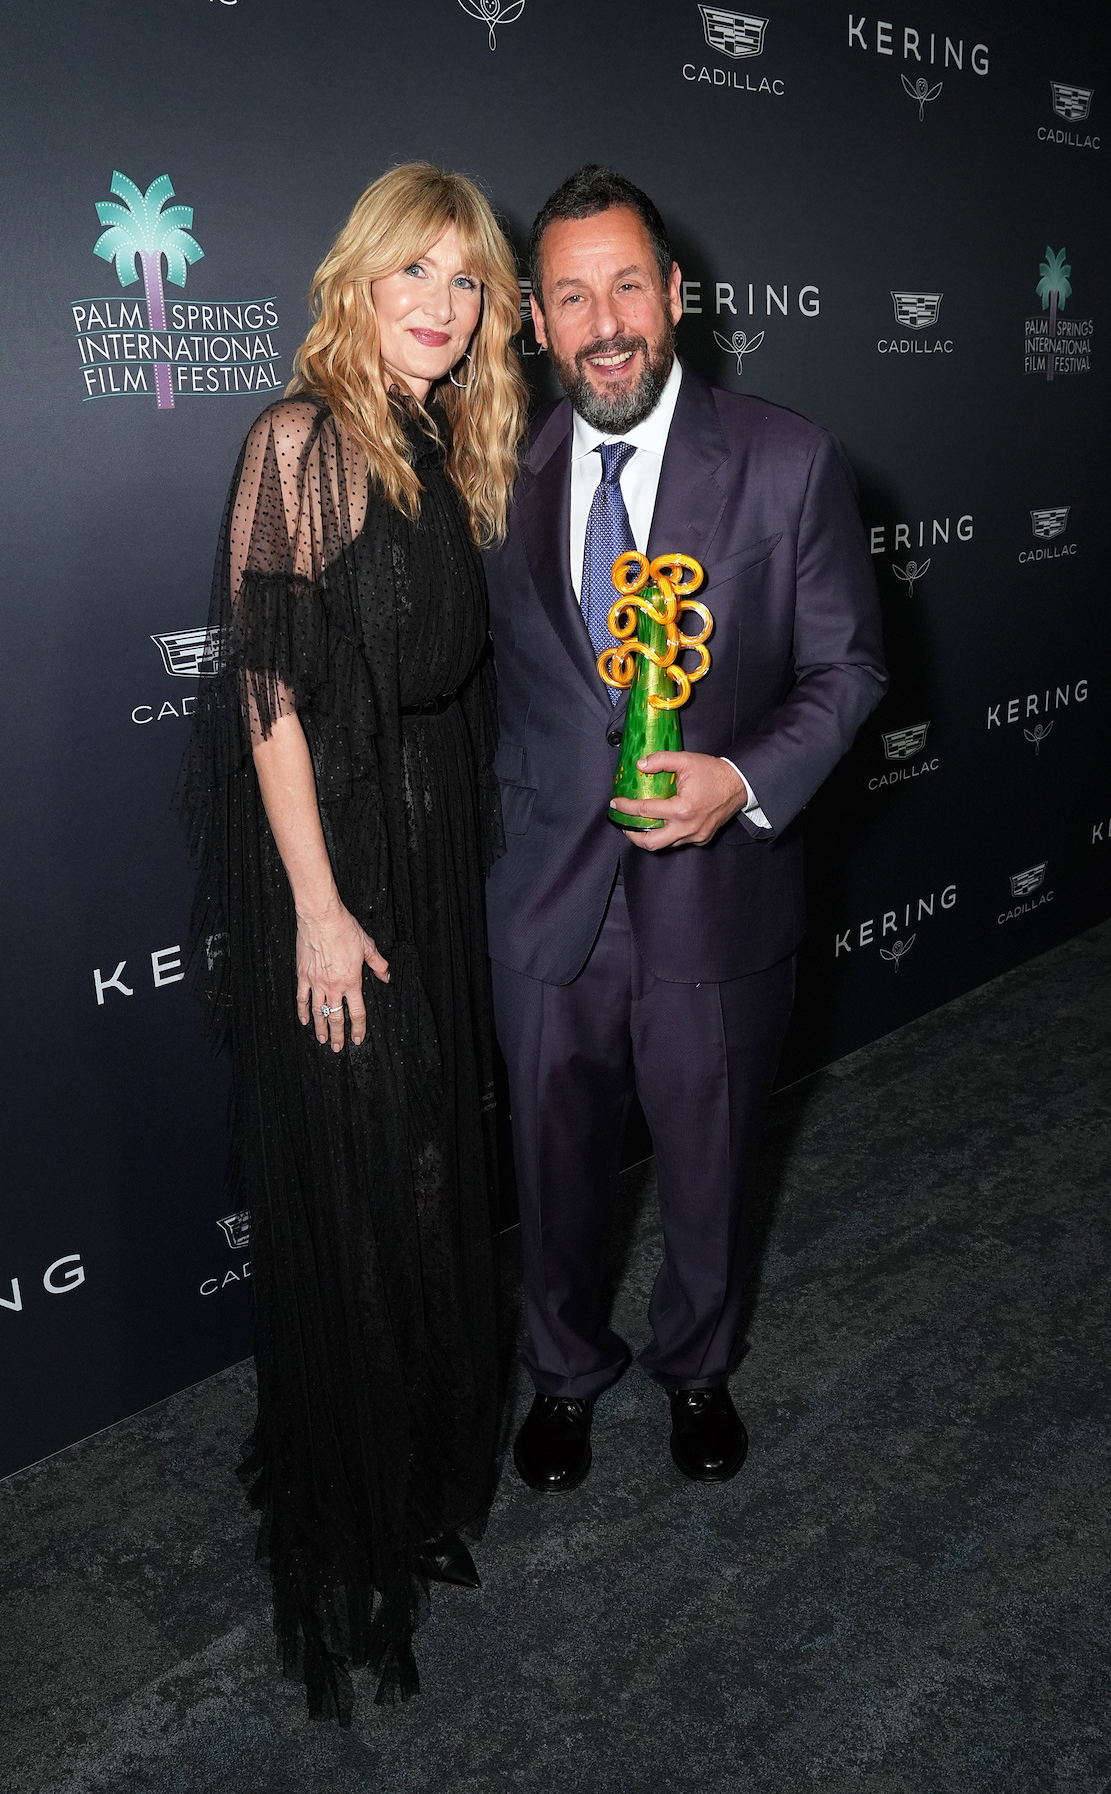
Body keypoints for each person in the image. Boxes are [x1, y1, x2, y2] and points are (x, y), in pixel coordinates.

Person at [180, 164, 527, 1722]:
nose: (443, 306)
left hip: (439, 850)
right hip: (343, 867)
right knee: (363, 1177)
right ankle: (357, 1507)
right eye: (417, 274)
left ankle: (432, 1479)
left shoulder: (447, 435)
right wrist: (319, 906)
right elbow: (267, 699)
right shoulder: (299, 440)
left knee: (439, 1169)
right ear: (358, 283)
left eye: (467, 281)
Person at [484, 167, 887, 1494]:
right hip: (550, 902)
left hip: (717, 895)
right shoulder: (494, 476)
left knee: (711, 1154)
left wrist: (743, 781)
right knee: (551, 1169)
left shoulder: (788, 459)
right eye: (571, 295)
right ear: (536, 322)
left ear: (677, 295)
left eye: (629, 286)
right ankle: (561, 1371)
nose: (606, 322)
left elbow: (847, 673)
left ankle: (699, 1363)